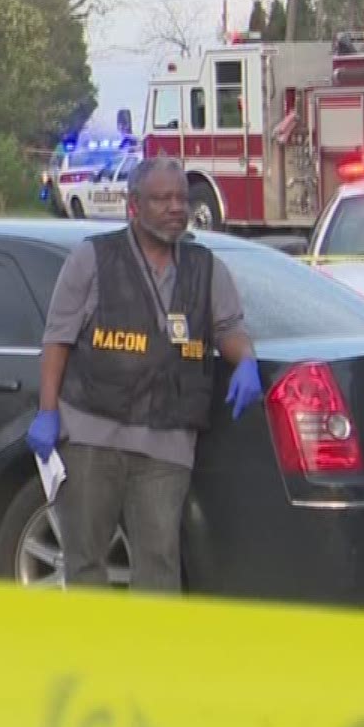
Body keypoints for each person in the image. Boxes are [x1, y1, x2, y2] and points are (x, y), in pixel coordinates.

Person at [29, 157, 261, 592]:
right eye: (162, 199)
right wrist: (47, 412)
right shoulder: (92, 259)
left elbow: (229, 328)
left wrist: (245, 360)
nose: (176, 208)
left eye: (181, 198)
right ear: (134, 206)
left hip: (167, 441)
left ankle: (151, 658)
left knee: (159, 565)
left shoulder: (205, 267)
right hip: (91, 436)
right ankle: (93, 656)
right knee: (86, 561)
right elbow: (57, 338)